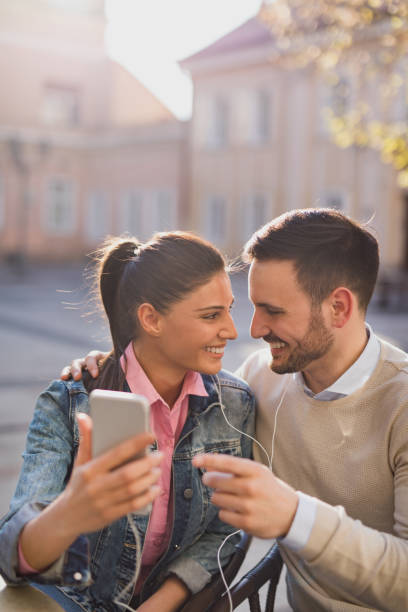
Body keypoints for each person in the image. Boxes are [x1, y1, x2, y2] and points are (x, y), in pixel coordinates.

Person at [72, 209, 408, 611]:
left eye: (274, 311)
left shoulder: (401, 403)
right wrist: (117, 363)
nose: (253, 329)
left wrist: (295, 516)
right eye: (253, 307)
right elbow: (185, 382)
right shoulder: (259, 380)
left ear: (339, 307)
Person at [0, 232, 255, 612]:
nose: (232, 331)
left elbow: (225, 529)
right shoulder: (69, 402)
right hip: (71, 598)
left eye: (229, 310)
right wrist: (70, 511)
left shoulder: (235, 404)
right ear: (151, 318)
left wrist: (161, 604)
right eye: (211, 315)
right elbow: (12, 559)